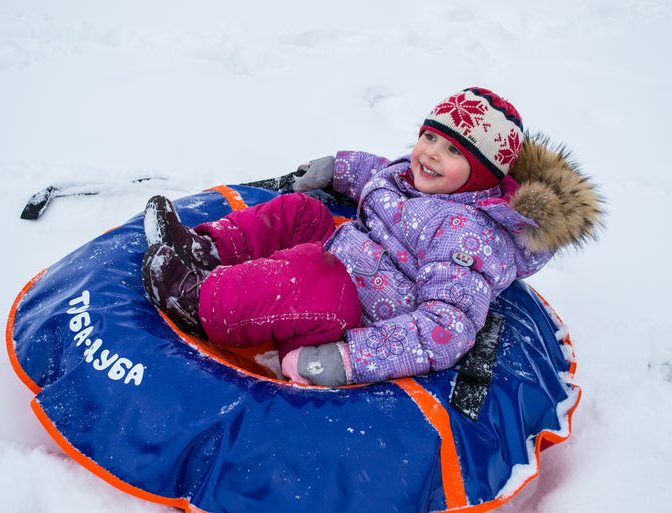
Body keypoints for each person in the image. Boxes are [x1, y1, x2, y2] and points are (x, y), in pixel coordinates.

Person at [140, 87, 604, 387]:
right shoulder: (422, 179)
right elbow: (380, 174)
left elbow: (445, 328)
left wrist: (350, 359)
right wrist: (337, 167)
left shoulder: (470, 236)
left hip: (357, 313)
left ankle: (202, 302)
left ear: (481, 175)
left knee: (313, 277)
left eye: (453, 151)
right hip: (352, 256)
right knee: (300, 211)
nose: (431, 155)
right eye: (430, 137)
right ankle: (202, 248)